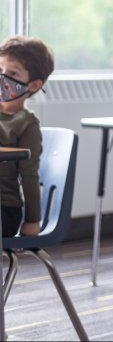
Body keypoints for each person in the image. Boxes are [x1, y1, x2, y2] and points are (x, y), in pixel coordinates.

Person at [0, 36, 54, 238]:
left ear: (33, 85)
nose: (3, 78)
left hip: (5, 209)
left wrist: (33, 220)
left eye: (12, 73)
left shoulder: (26, 125)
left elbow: (29, 175)